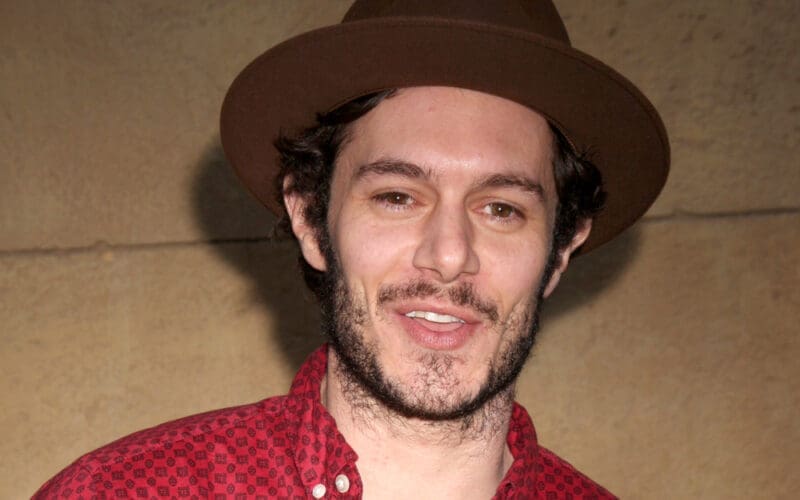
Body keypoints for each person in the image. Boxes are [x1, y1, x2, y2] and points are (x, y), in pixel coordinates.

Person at [35, 1, 668, 498]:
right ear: (312, 219)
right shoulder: (120, 493)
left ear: (559, 252)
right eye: (397, 196)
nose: (449, 256)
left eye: (501, 209)